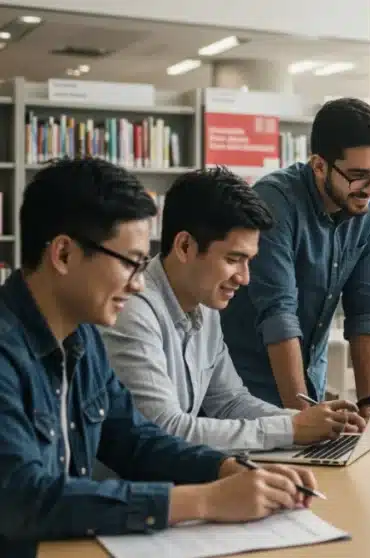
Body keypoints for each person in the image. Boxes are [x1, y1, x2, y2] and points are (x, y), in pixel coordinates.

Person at [0, 158, 318, 558]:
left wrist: (226, 470)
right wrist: (204, 502)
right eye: (131, 263)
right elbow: (23, 499)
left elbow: (135, 438)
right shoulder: (6, 352)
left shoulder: (81, 338)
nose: (138, 283)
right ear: (64, 254)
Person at [99, 167, 366, 453]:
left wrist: (311, 422)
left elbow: (229, 401)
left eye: (249, 261)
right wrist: (292, 429)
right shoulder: (133, 312)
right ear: (185, 246)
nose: (244, 278)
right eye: (233, 259)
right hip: (135, 491)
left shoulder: (206, 305)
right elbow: (166, 429)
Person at [220, 97, 370, 417]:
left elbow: (366, 302)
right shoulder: (274, 200)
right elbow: (279, 312)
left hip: (309, 378)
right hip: (246, 388)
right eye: (358, 175)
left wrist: (369, 403)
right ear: (319, 166)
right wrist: (301, 417)